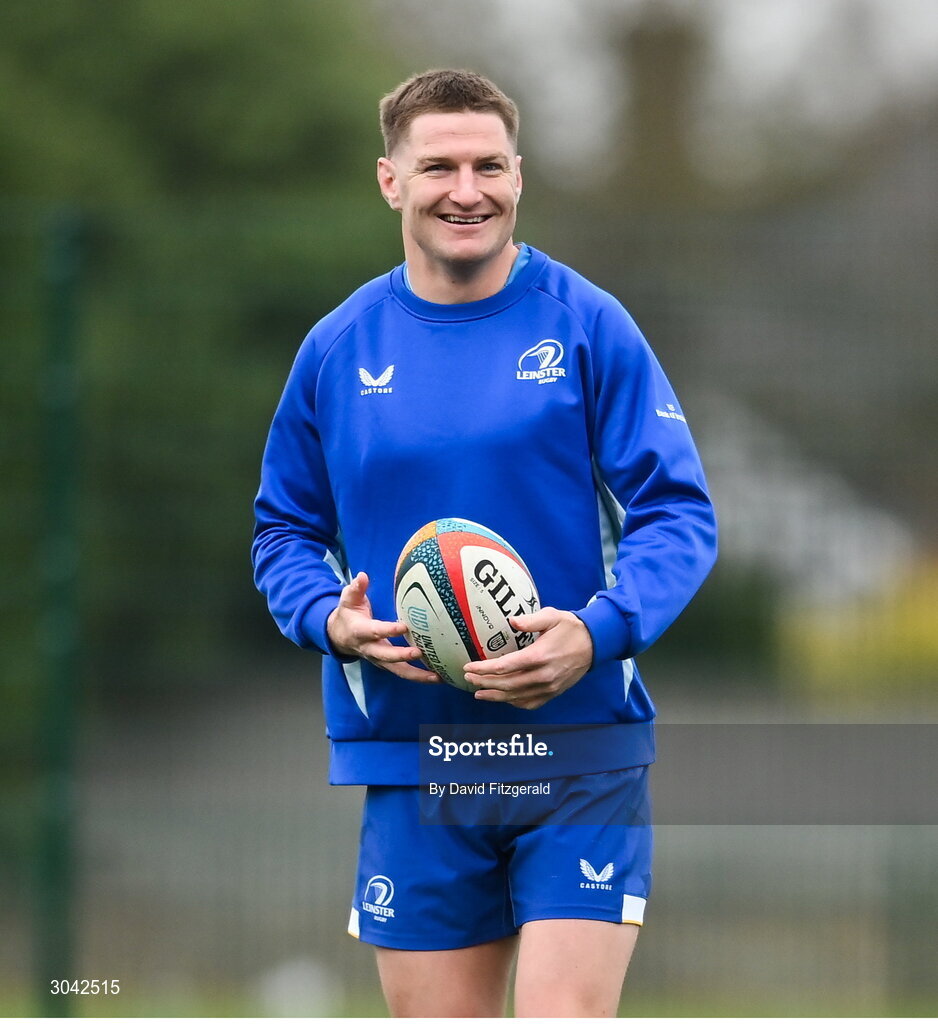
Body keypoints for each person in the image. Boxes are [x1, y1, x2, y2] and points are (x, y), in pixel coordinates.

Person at [253, 68, 717, 1017]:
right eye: (439, 167)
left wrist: (599, 631)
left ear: (519, 175)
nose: (468, 190)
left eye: (489, 166)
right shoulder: (338, 349)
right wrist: (326, 622)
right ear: (391, 180)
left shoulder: (588, 325)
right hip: (418, 760)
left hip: (578, 754)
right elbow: (284, 531)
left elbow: (678, 512)